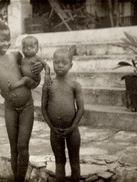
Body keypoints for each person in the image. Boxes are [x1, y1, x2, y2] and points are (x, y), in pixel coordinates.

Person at [0, 21, 43, 181]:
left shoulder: (16, 56)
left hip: (27, 105)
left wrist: (39, 70)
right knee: (13, 148)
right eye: (2, 39)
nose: (7, 43)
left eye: (8, 39)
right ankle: (18, 179)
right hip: (10, 108)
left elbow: (33, 79)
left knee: (22, 146)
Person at [41, 48, 84, 182]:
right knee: (59, 162)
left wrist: (73, 126)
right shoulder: (48, 85)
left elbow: (81, 108)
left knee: (74, 161)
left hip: (72, 131)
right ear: (53, 63)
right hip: (55, 131)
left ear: (70, 65)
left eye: (64, 63)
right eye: (56, 62)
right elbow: (43, 108)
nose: (60, 65)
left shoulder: (74, 85)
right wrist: (52, 127)